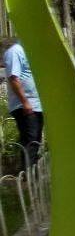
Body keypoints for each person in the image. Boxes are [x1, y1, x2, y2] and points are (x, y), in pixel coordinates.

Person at [1, 37, 43, 166]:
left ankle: (31, 171)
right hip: (25, 104)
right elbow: (14, 78)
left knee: (35, 139)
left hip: (36, 104)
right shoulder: (15, 51)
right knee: (30, 139)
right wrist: (25, 102)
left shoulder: (30, 52)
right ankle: (28, 172)